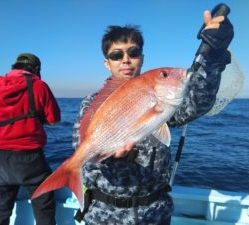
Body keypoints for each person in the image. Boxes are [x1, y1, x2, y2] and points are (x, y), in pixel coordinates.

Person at [72, 10, 233, 225]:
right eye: (117, 55)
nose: (126, 60)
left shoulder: (161, 96)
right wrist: (110, 157)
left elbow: (199, 102)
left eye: (133, 52)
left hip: (155, 214)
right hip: (105, 217)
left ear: (142, 58)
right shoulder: (92, 103)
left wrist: (213, 54)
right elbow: (83, 149)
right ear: (107, 63)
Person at [0, 53, 61, 225]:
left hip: (0, 160)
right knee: (44, 205)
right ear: (36, 69)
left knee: (1, 210)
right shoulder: (39, 85)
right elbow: (54, 120)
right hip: (31, 159)